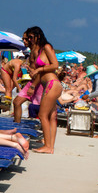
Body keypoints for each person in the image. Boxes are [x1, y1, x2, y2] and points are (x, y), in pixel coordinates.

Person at [26, 26, 62, 154]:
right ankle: (50, 147)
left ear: (38, 36)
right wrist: (33, 72)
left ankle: (47, 146)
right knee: (52, 116)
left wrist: (39, 69)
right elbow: (40, 74)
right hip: (50, 84)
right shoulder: (39, 50)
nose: (29, 40)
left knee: (42, 115)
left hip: (52, 83)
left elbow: (55, 65)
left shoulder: (46, 47)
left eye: (31, 37)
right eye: (28, 37)